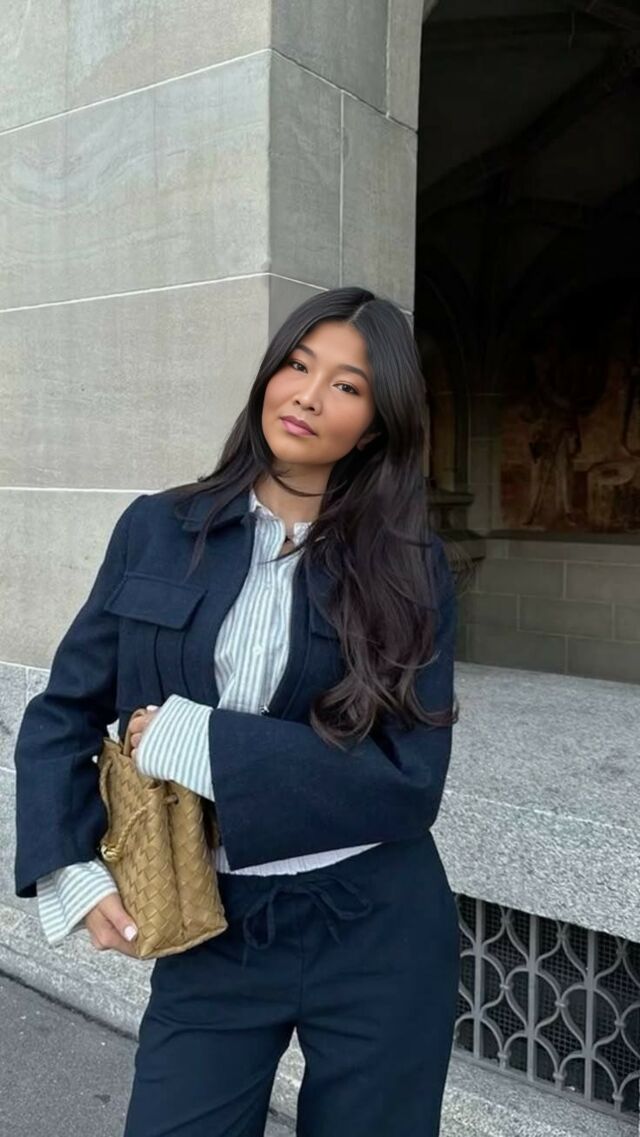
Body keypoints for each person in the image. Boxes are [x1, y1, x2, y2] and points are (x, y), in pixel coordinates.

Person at [13, 286, 461, 1137]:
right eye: (298, 364)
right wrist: (69, 858)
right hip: (213, 922)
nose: (308, 395)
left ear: (374, 426)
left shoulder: (410, 564)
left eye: (347, 385)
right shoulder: (157, 528)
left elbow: (410, 781)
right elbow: (64, 710)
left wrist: (205, 741)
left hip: (377, 923)